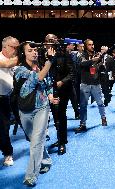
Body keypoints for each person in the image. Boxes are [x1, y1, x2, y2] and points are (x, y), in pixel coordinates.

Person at [15, 41, 56, 186]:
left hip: (42, 108)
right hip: (24, 110)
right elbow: (37, 78)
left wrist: (50, 96)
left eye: (35, 50)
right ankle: (46, 160)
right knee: (34, 140)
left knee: (36, 141)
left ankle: (31, 176)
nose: (34, 52)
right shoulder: (19, 69)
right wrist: (50, 61)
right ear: (23, 53)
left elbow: (48, 82)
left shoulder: (42, 66)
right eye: (30, 50)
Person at [45, 34, 75, 155]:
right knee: (55, 115)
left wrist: (61, 82)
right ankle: (60, 138)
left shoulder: (64, 54)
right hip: (47, 90)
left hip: (63, 89)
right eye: (49, 41)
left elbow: (72, 73)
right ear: (45, 42)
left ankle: (62, 141)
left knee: (60, 114)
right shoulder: (41, 55)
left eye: (53, 41)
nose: (51, 43)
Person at [74, 39, 107, 133]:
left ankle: (103, 118)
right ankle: (83, 124)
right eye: (89, 45)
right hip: (85, 84)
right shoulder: (81, 55)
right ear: (85, 46)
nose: (92, 46)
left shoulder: (98, 54)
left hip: (96, 83)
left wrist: (101, 62)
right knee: (83, 105)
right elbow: (82, 64)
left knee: (100, 103)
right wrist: (93, 60)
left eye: (93, 44)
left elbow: (102, 67)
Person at [0, 36, 19, 166]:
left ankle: (8, 153)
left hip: (10, 98)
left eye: (17, 48)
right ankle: (7, 152)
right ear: (5, 46)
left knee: (5, 128)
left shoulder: (14, 59)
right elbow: (7, 64)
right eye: (14, 47)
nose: (16, 50)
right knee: (3, 128)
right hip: (2, 99)